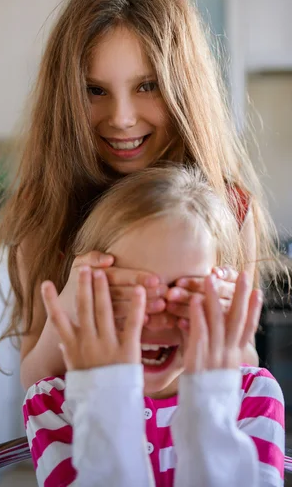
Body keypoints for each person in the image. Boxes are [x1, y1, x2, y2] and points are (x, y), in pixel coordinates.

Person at [0, 0, 278, 389]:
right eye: (95, 90)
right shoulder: (44, 211)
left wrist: (228, 333)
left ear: (184, 87)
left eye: (148, 86)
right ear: (64, 96)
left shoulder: (231, 208)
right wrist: (68, 308)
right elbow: (34, 385)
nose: (122, 118)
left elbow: (246, 371)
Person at [23, 166, 285, 487]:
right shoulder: (52, 404)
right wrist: (107, 395)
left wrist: (210, 398)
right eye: (126, 293)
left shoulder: (254, 396)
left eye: (182, 292)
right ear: (84, 296)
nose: (154, 319)